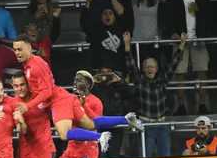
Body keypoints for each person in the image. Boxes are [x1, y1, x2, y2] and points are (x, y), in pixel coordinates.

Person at [12, 34, 142, 149]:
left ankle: (100, 137)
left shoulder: (35, 66)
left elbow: (46, 92)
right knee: (90, 123)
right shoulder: (31, 64)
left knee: (63, 134)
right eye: (15, 50)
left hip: (57, 100)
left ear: (29, 48)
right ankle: (126, 119)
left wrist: (27, 106)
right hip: (62, 96)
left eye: (20, 49)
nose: (17, 53)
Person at [124, 31, 186, 158]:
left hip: (162, 125)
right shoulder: (139, 81)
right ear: (143, 69)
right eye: (147, 67)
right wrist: (126, 44)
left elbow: (174, 63)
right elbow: (130, 64)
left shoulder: (162, 80)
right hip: (145, 125)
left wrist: (182, 44)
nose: (150, 69)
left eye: (152, 67)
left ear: (156, 69)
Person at [165, 0, 212, 116]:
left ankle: (203, 105)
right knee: (180, 73)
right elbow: (168, 18)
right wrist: (172, 33)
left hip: (198, 38)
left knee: (202, 72)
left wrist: (200, 10)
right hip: (181, 41)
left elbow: (211, 13)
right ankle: (181, 106)